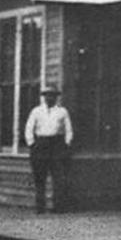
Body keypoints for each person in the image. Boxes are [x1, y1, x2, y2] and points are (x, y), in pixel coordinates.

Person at [24, 85, 73, 213]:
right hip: (40, 144)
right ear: (43, 97)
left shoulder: (62, 111)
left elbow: (68, 129)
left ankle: (58, 207)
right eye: (47, 95)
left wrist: (67, 144)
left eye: (52, 95)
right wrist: (32, 144)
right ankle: (40, 207)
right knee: (40, 177)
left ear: (57, 97)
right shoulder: (36, 111)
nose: (50, 98)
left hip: (57, 144)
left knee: (58, 176)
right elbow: (29, 128)